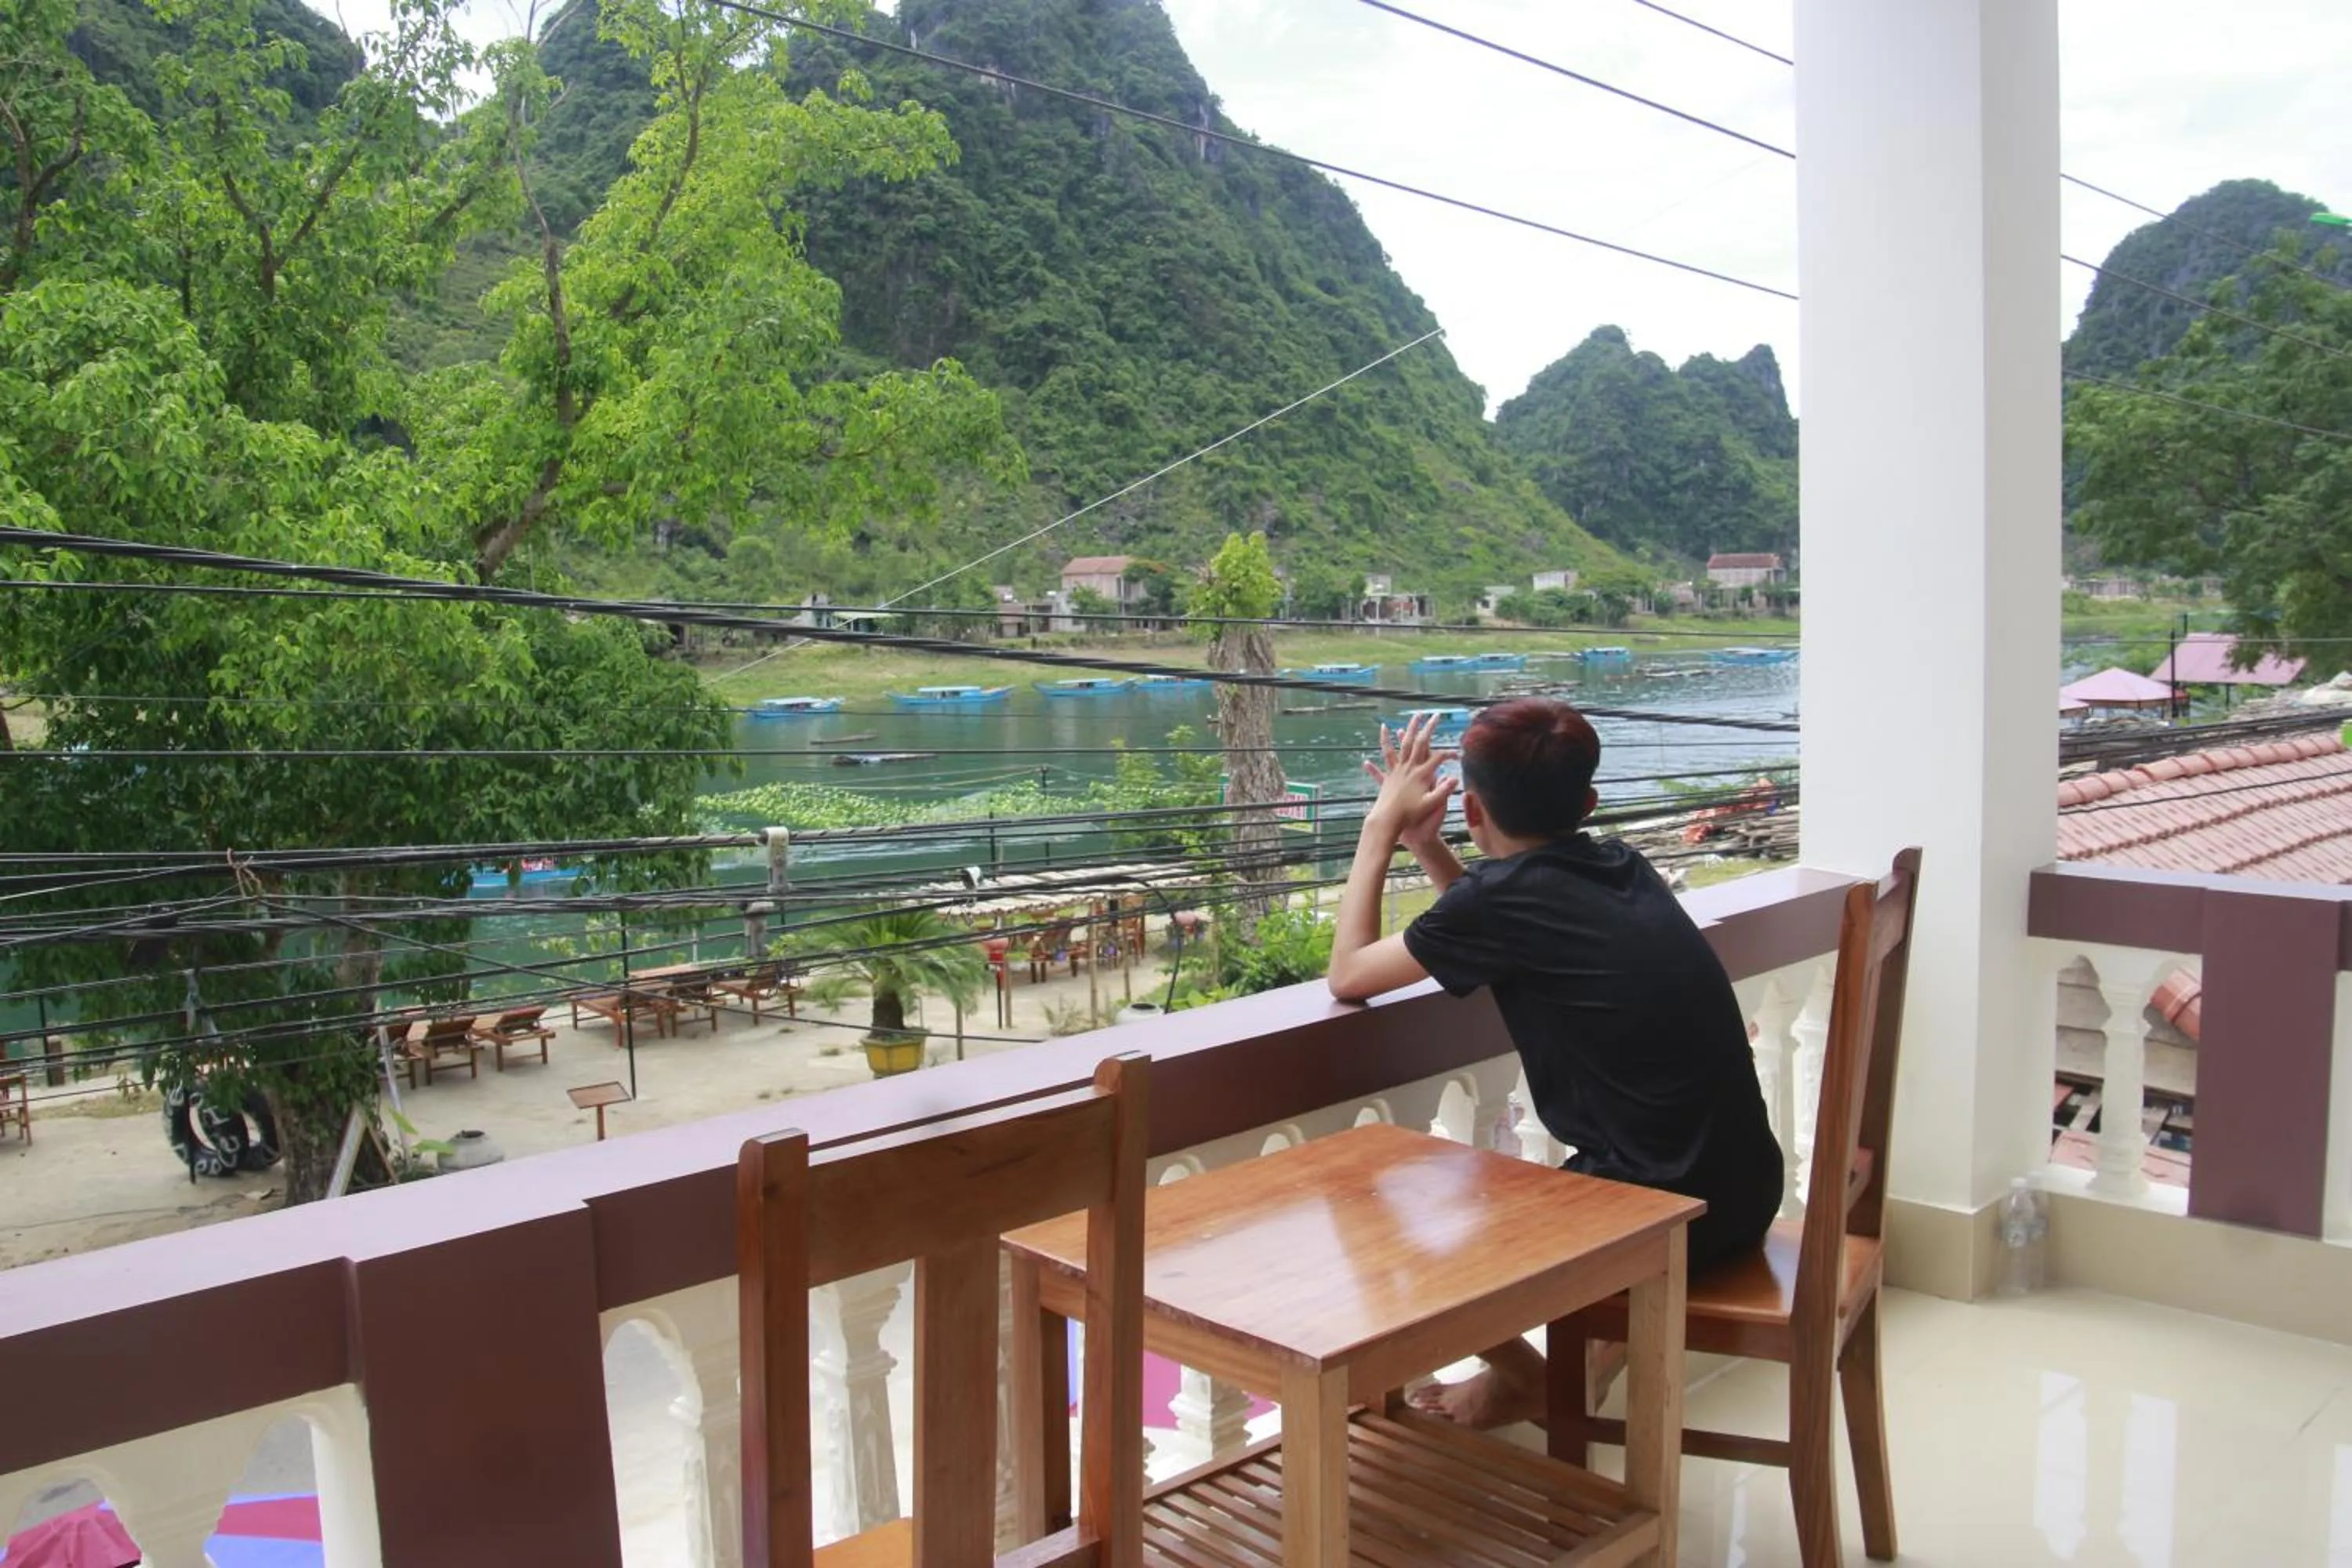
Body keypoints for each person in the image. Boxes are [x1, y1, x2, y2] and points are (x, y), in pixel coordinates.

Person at [1326, 700, 1783, 1428]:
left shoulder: (1501, 904)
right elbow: (1496, 915)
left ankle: (1532, 1382)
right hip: (1745, 1193)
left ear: (1472, 809)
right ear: (1589, 803)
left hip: (1661, 1220)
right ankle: (1580, 1373)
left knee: (1386, 1214)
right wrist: (1426, 846)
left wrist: (1381, 827)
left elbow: (1348, 974)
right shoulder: (1624, 866)